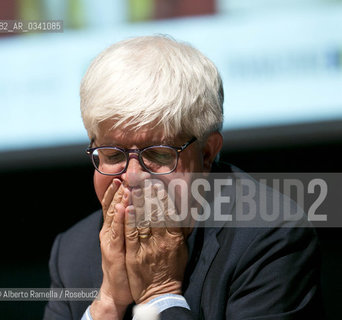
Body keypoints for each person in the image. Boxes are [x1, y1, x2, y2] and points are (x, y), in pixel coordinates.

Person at [43, 36, 323, 320]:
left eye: (158, 154)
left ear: (207, 154)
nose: (133, 176)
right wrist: (107, 304)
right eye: (113, 155)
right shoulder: (72, 251)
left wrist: (160, 295)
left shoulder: (271, 234)